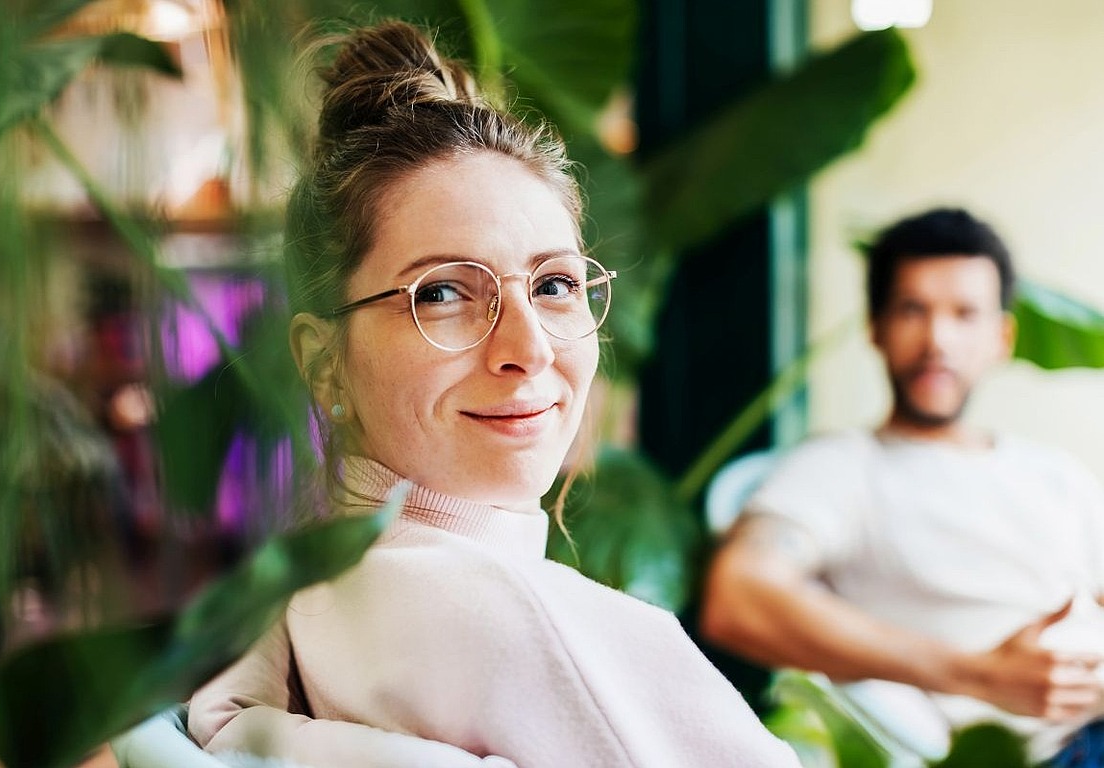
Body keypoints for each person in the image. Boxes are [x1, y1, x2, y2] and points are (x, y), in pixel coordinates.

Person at [185, 20, 798, 767]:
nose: (529, 348)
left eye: (555, 285)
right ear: (324, 363)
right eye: (442, 292)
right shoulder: (539, 633)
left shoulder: (306, 603)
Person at [701, 207, 1104, 765]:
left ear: (1002, 337)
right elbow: (738, 596)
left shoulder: (1056, 474)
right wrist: (978, 675)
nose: (938, 339)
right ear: (877, 327)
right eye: (913, 310)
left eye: (965, 314)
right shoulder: (842, 468)